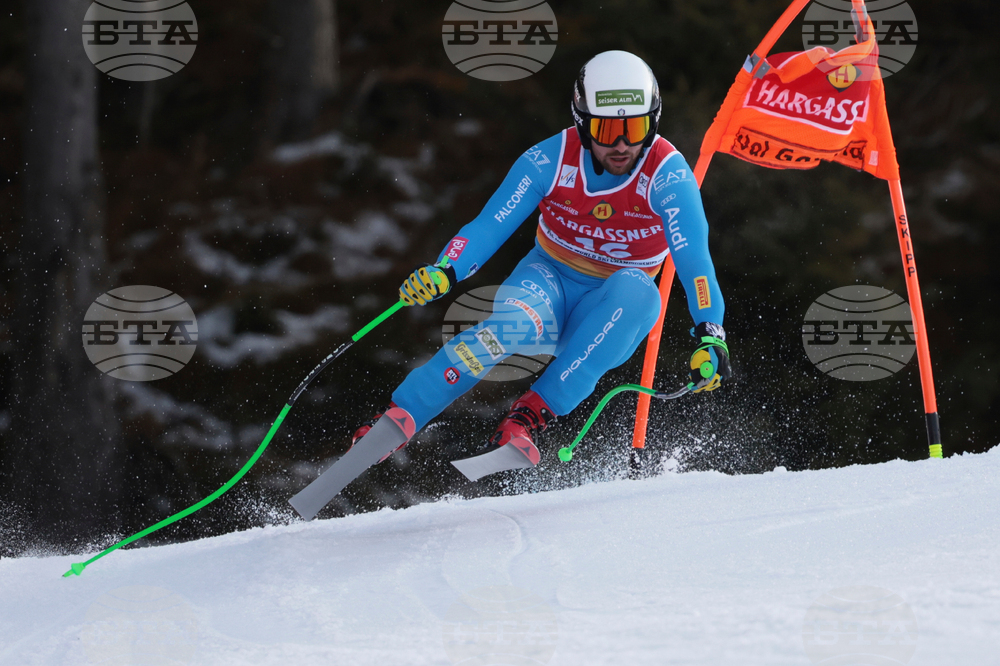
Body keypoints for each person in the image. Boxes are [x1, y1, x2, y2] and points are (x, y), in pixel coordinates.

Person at [288, 51, 732, 518]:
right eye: (606, 130)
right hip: (548, 281)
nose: (622, 145)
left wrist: (710, 331)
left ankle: (525, 417)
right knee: (511, 327)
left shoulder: (668, 174)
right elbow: (489, 226)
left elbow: (694, 260)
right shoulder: (547, 159)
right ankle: (400, 418)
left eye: (636, 129)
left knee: (642, 295)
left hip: (606, 308)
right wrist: (445, 270)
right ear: (582, 123)